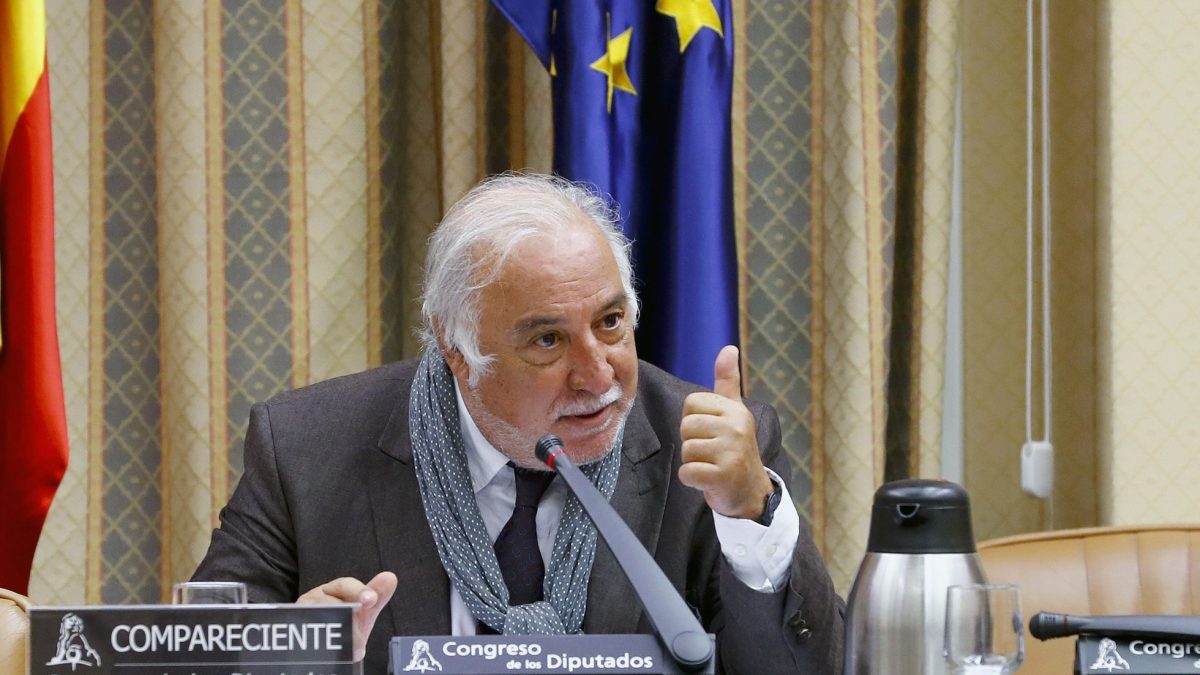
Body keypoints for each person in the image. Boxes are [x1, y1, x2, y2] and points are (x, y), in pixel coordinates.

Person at [193, 173, 844, 673]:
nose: (598, 376)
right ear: (457, 348)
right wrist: (282, 651)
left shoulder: (703, 451)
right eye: (547, 341)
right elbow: (195, 656)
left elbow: (805, 669)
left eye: (610, 323)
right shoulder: (305, 450)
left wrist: (752, 512)